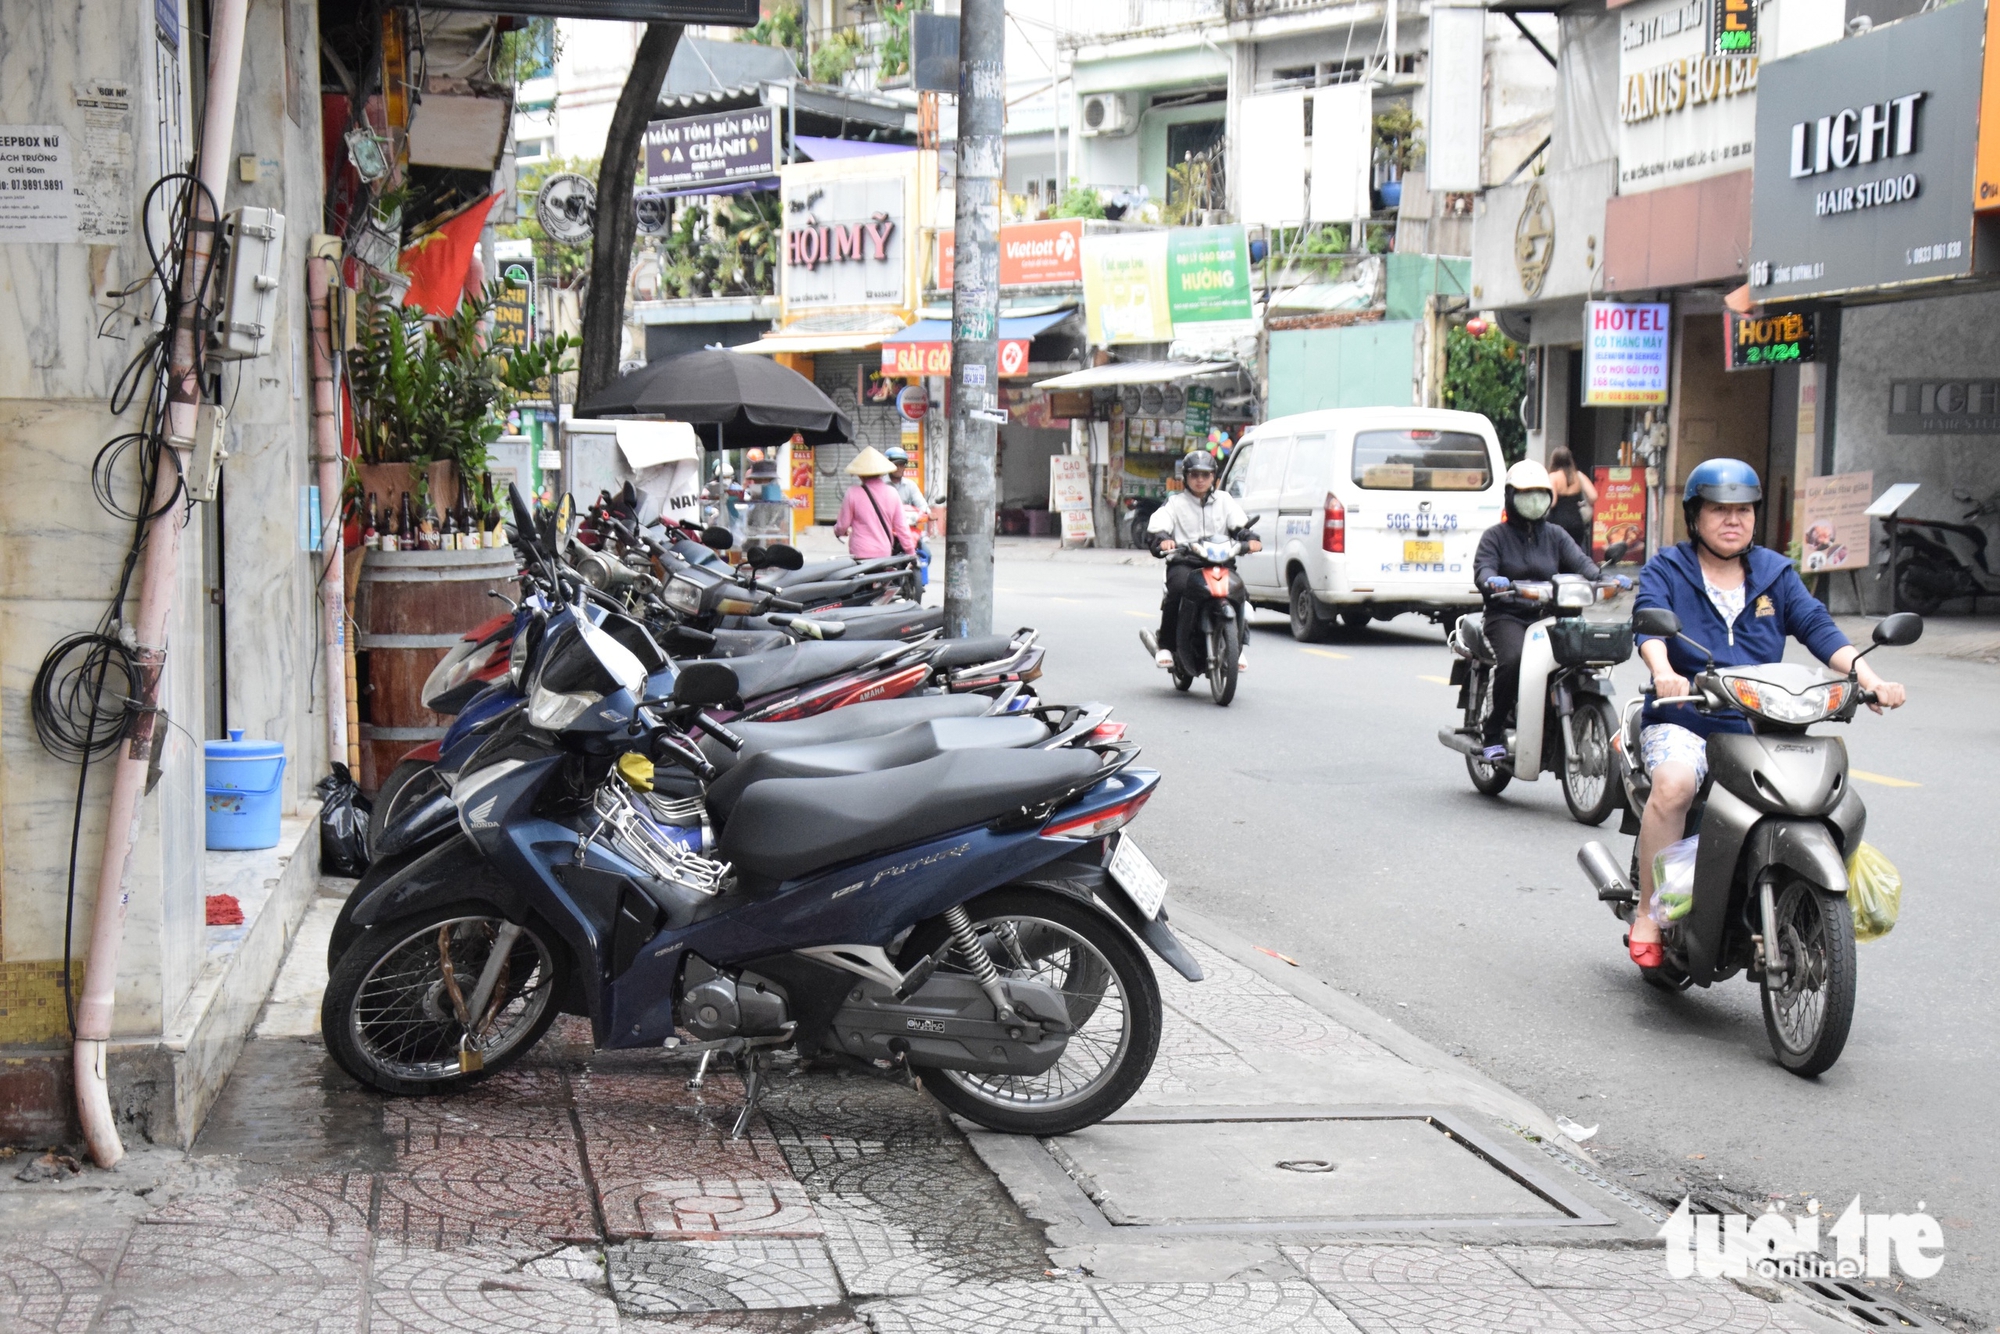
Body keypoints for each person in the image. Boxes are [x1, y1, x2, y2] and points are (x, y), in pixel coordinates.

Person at [1628, 458, 1906, 968]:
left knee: (1818, 796)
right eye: (1719, 510)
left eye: (1744, 510)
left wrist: (1871, 680)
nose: (1733, 520)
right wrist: (1664, 670)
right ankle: (1651, 911)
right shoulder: (1668, 568)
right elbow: (1650, 629)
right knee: (1673, 785)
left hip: (1759, 725)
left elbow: (1818, 629)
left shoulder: (1776, 573)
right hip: (1686, 715)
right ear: (1695, 517)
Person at [1472, 460, 1617, 763]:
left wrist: (1604, 578)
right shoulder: (1495, 537)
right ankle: (1493, 731)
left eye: (1540, 493)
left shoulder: (1556, 535)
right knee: (1513, 661)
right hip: (1508, 616)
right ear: (1511, 496)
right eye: (1525, 493)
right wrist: (1491, 580)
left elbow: (1581, 563)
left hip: (1550, 616)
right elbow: (1484, 569)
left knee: (1578, 658)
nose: (1534, 500)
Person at [1139, 451, 1261, 672]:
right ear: (1185, 477)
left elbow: (1240, 527)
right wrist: (1164, 540)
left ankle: (1238, 647)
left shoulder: (1225, 501)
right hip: (1186, 562)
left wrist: (1250, 539)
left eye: (1205, 475)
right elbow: (1158, 527)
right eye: (1194, 474)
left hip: (1221, 561)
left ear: (1214, 476)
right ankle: (1166, 645)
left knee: (1240, 593)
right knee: (1177, 589)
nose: (1200, 480)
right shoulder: (1175, 503)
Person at [833, 446, 915, 561]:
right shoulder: (892, 493)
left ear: (860, 474)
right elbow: (901, 527)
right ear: (881, 473)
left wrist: (838, 531)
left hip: (860, 553)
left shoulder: (852, 493)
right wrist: (911, 551)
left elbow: (842, 525)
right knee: (884, 578)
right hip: (884, 553)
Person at [885, 446, 931, 587]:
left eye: (902, 464)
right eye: (895, 464)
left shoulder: (910, 485)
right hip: (887, 532)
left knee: (926, 554)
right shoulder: (881, 485)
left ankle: (913, 578)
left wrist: (928, 513)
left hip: (908, 531)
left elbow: (922, 505)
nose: (899, 468)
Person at [1547, 446, 1598, 553]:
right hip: (1576, 521)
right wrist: (1583, 503)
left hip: (1557, 522)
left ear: (1554, 460)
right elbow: (1593, 496)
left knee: (1557, 554)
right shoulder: (1578, 475)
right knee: (1574, 554)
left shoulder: (1553, 476)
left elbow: (1553, 502)